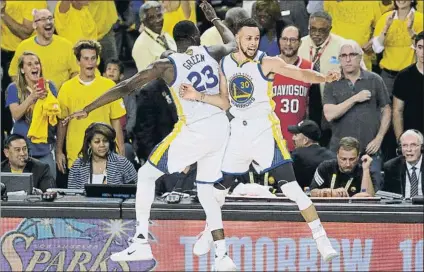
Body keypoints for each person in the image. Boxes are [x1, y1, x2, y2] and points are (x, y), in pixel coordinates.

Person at [64, 1, 238, 270]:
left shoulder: (167, 63)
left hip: (196, 129)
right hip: (221, 128)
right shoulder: (211, 51)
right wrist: (215, 19)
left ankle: (141, 241)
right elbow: (233, 44)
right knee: (205, 192)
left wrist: (88, 108)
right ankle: (222, 256)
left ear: (177, 40)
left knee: (146, 175)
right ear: (195, 37)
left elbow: (125, 86)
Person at [179, 17, 340, 262]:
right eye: (248, 38)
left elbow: (301, 73)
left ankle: (321, 239)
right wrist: (197, 95)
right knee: (218, 190)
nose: (253, 43)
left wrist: (324, 78)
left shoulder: (266, 62)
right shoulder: (225, 64)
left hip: (264, 132)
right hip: (238, 135)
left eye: (256, 38)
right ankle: (208, 232)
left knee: (292, 189)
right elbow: (224, 102)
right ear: (238, 38)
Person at [56, 40, 126, 188]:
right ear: (78, 61)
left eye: (93, 58)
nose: (90, 62)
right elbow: (62, 123)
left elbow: (116, 122)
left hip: (106, 155)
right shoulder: (66, 88)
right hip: (76, 156)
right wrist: (58, 151)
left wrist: (121, 153)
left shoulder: (109, 86)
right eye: (86, 58)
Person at [323, 39, 391, 188]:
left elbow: (386, 109)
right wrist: (355, 98)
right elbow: (329, 114)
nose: (348, 59)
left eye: (352, 55)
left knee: (372, 197)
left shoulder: (375, 80)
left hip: (369, 151)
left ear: (360, 57)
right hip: (340, 155)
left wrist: (379, 138)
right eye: (343, 55)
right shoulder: (332, 81)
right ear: (339, 59)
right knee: (337, 197)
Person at [5, 51, 58, 178]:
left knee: (48, 187)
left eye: (37, 63)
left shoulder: (49, 86)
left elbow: (55, 115)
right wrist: (32, 97)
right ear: (22, 70)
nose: (35, 67)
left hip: (45, 149)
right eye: (29, 64)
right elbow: (16, 115)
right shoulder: (13, 88)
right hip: (21, 152)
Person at [273, 25, 322, 151]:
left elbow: (315, 109)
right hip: (271, 140)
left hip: (300, 143)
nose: (288, 44)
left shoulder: (309, 68)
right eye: (284, 39)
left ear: (300, 43)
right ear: (279, 41)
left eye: (293, 40)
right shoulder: (268, 67)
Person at [8, 8, 79, 89]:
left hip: (60, 99)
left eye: (50, 18)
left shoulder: (67, 45)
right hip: (33, 98)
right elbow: (14, 74)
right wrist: (26, 92)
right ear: (34, 25)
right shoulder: (24, 47)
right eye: (43, 19)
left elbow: (76, 72)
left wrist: (66, 91)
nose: (48, 22)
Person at [68, 123, 137, 189]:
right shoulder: (78, 165)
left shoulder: (122, 163)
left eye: (105, 141)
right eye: (97, 142)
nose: (102, 145)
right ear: (89, 144)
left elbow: (138, 189)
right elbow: (71, 195)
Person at [310, 137, 377, 198]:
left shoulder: (363, 170)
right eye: (343, 159)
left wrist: (365, 169)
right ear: (337, 156)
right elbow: (312, 192)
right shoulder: (326, 167)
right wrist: (329, 192)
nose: (348, 164)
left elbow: (369, 198)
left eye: (352, 159)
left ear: (358, 157)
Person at [392, 31, 424, 139]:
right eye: (420, 47)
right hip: (412, 136)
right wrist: (401, 141)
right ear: (415, 48)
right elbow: (397, 111)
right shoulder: (404, 76)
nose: (423, 52)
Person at [288, 120, 335, 188]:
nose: (293, 138)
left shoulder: (297, 155)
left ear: (306, 140)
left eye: (296, 135)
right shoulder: (332, 156)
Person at [383, 129, 423, 198]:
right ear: (400, 149)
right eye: (404, 145)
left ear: (422, 147)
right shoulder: (391, 167)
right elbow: (387, 197)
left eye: (413, 145)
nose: (409, 149)